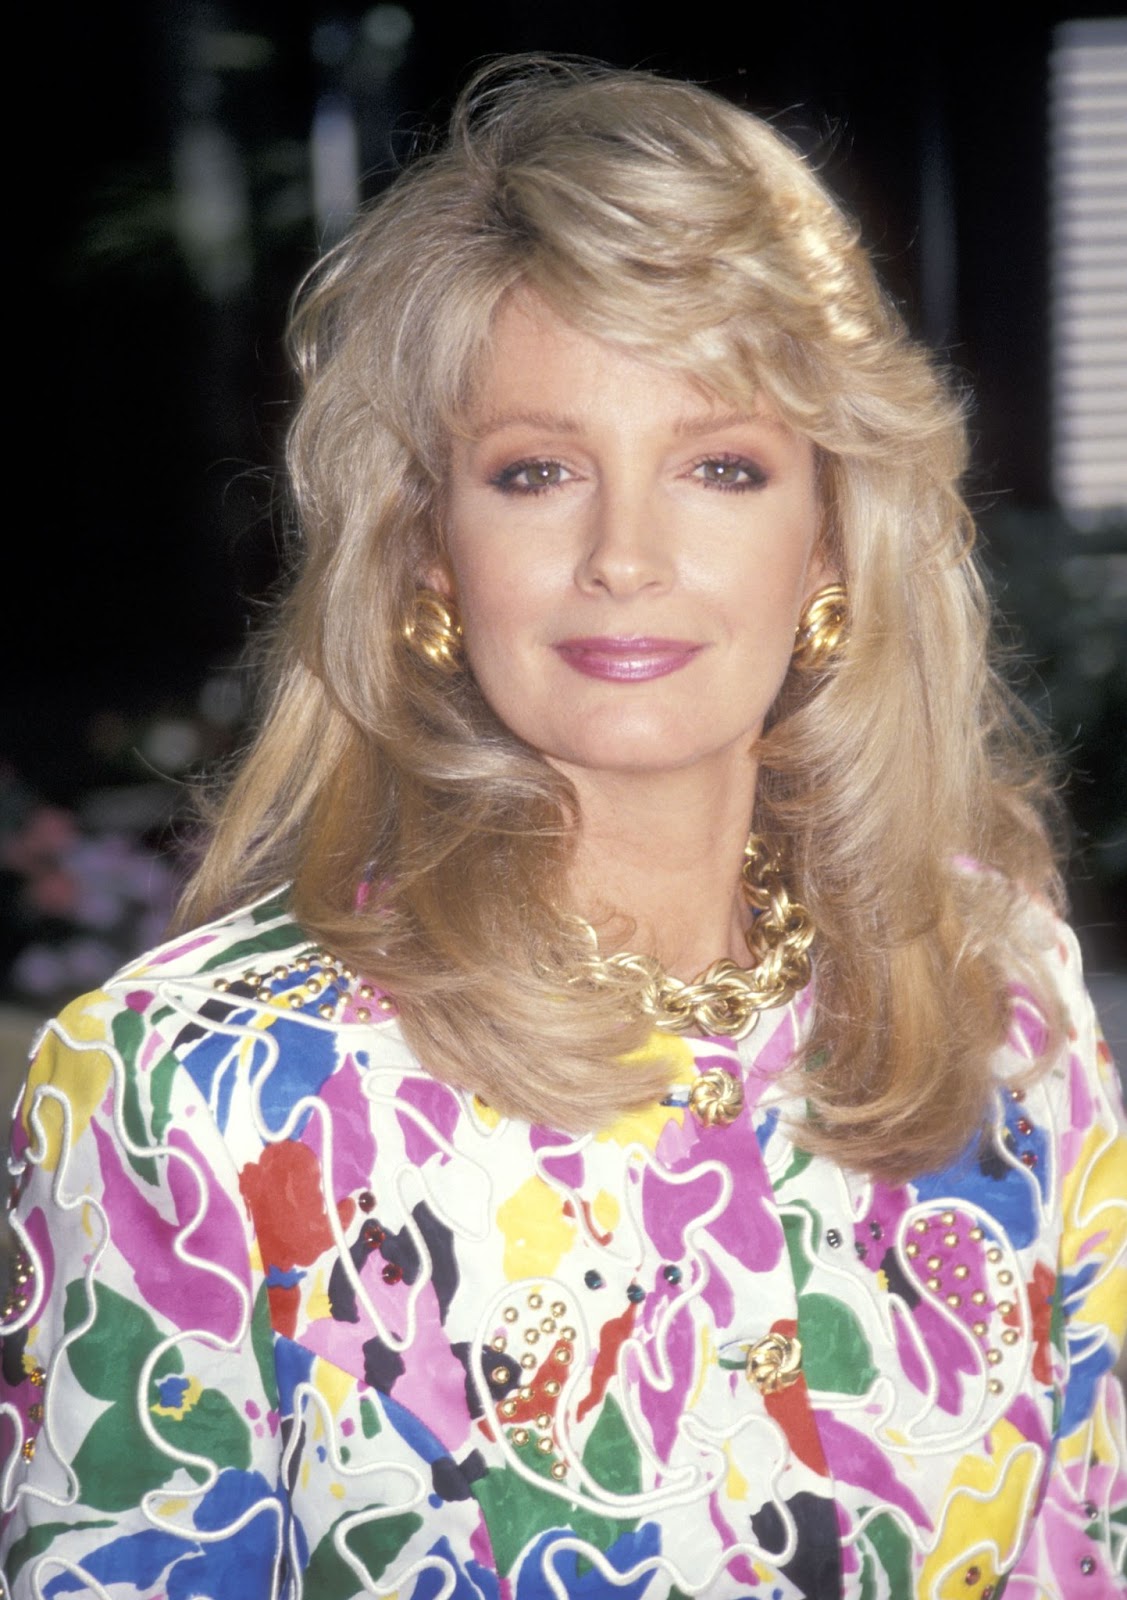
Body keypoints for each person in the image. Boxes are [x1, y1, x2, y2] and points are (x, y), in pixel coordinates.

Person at [2, 56, 1124, 1600]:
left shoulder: (1004, 992)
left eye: (721, 466)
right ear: (429, 560)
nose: (625, 556)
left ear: (831, 539)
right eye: (536, 473)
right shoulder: (185, 1094)